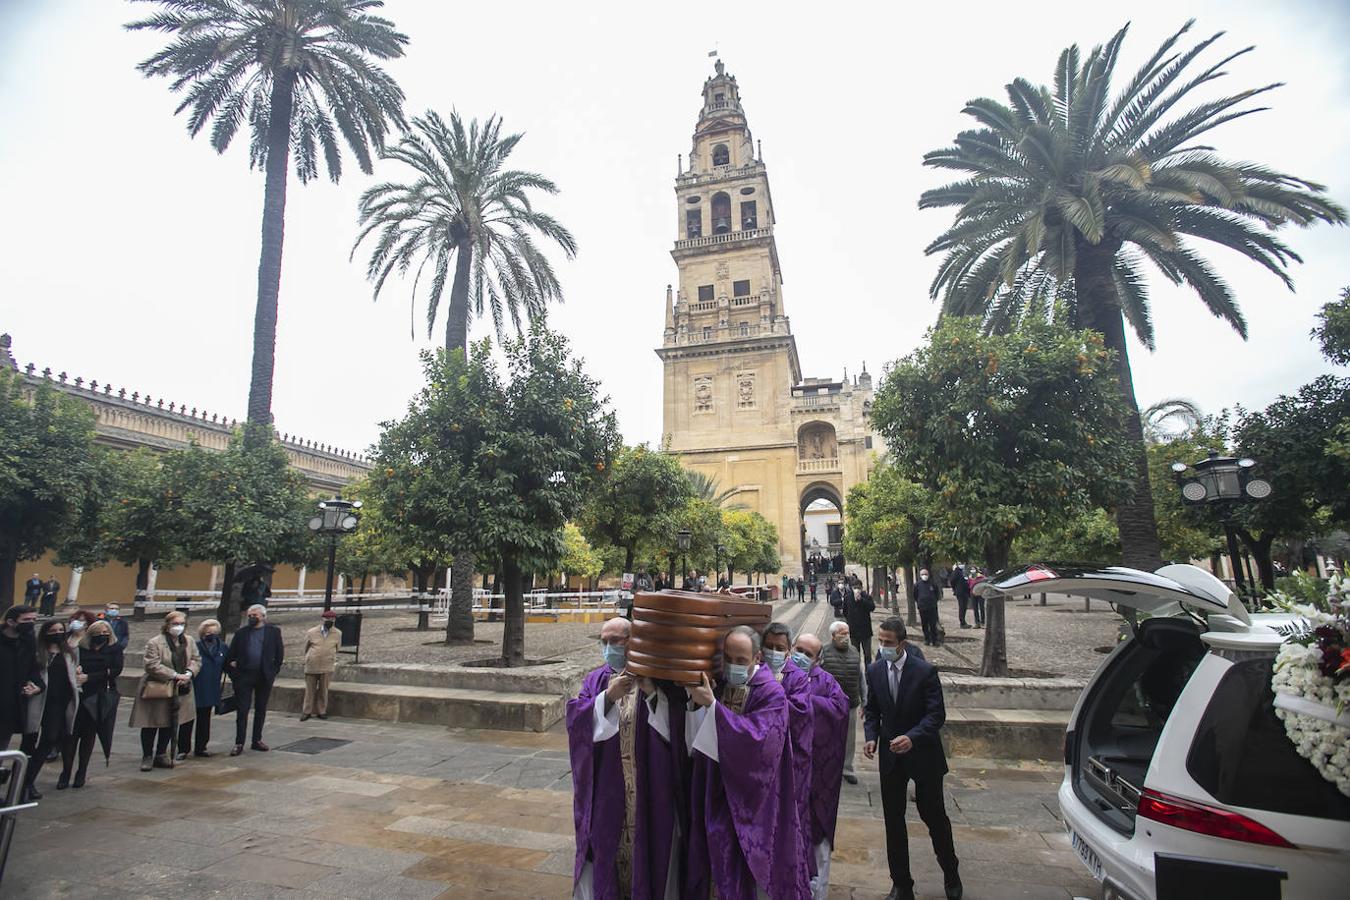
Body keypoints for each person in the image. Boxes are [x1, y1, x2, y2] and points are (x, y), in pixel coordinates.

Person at [672, 625, 805, 899]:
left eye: (741, 660)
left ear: (757, 658)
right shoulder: (718, 683)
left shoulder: (771, 693)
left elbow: (760, 746)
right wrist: (696, 704)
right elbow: (697, 738)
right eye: (728, 658)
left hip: (751, 803)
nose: (732, 666)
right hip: (714, 790)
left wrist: (713, 708)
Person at [567, 617, 685, 898]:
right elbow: (576, 723)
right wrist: (607, 697)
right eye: (604, 642)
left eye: (615, 642)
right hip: (609, 790)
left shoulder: (655, 677)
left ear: (632, 642)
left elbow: (677, 730)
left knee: (651, 853)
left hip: (649, 790)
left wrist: (654, 694)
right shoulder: (596, 679)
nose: (609, 648)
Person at [864, 618, 961, 900]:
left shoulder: (925, 672)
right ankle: (901, 884)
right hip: (891, 756)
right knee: (893, 820)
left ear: (902, 643)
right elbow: (872, 710)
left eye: (888, 643)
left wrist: (913, 737)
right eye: (880, 641)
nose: (883, 647)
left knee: (934, 816)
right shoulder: (874, 670)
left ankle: (951, 872)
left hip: (923, 754)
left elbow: (936, 715)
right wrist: (871, 736)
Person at [791, 633, 850, 900]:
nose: (801, 656)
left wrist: (802, 703)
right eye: (798, 649)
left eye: (808, 653)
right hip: (787, 776)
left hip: (817, 778)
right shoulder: (776, 676)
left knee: (817, 846)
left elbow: (840, 710)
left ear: (817, 659)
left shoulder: (827, 683)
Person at [762, 622, 815, 891]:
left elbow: (802, 713)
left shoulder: (796, 677)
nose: (773, 652)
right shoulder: (754, 671)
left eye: (779, 648)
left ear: (788, 650)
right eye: (769, 647)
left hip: (788, 763)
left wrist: (771, 696)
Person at [129, 611, 199, 771]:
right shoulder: (155, 642)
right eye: (175, 624)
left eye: (181, 624)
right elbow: (152, 664)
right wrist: (174, 675)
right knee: (151, 722)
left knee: (170, 722)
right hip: (158, 687)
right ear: (167, 625)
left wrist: (188, 673)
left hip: (181, 687)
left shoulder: (188, 641)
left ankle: (161, 753)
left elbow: (196, 659)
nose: (178, 627)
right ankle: (147, 755)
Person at [22, 621, 83, 800]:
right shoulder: (38, 653)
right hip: (37, 700)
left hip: (58, 703)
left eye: (60, 630)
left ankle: (29, 780)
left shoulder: (68, 653)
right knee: (28, 741)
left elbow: (72, 675)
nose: (57, 633)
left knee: (49, 739)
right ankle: (22, 782)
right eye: (53, 630)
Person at [66, 619, 122, 787]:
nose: (102, 636)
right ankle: (66, 771)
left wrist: (90, 677)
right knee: (71, 735)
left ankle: (81, 771)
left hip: (99, 695)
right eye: (98, 633)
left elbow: (116, 669)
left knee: (89, 734)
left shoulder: (114, 649)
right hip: (80, 693)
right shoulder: (80, 649)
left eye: (106, 633)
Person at [224, 603, 284, 755]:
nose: (251, 618)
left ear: (263, 617)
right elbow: (231, 656)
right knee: (242, 710)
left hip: (264, 676)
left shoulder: (273, 632)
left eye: (255, 615)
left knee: (261, 709)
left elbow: (279, 655)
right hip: (244, 676)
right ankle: (239, 742)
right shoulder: (241, 633)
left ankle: (256, 739)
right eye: (250, 615)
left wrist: (273, 672)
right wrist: (235, 671)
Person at [818, 620, 862, 785]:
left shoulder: (854, 651)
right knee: (827, 736)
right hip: (829, 704)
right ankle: (827, 767)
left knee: (849, 739)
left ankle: (847, 768)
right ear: (833, 636)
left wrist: (864, 700)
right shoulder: (823, 651)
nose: (845, 637)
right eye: (842, 634)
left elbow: (860, 676)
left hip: (851, 701)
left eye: (847, 633)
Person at [0, 607, 41, 760]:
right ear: (11, 622)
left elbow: (33, 671)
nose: (31, 623)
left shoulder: (28, 641)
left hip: (10, 708)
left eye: (33, 620)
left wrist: (36, 686)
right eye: (26, 620)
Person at [182, 618, 226, 758]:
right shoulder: (195, 646)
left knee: (205, 719)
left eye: (214, 631)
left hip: (211, 688)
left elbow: (227, 665)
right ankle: (183, 749)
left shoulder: (222, 647)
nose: (211, 634)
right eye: (208, 632)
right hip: (195, 687)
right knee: (187, 720)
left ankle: (201, 747)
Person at [301, 610, 341, 721]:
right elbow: (306, 647)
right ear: (322, 620)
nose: (330, 621)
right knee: (310, 690)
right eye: (327, 619)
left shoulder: (337, 633)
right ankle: (306, 711)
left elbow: (338, 648)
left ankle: (321, 711)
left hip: (327, 665)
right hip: (312, 664)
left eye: (332, 620)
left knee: (324, 690)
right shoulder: (312, 632)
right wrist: (309, 657)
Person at [843, 583, 875, 665]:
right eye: (855, 587)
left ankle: (868, 673)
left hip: (865, 630)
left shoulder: (866, 597)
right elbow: (845, 611)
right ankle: (857, 673)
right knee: (855, 654)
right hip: (854, 630)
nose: (857, 589)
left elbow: (872, 607)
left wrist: (861, 600)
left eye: (858, 588)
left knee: (867, 654)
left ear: (861, 588)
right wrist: (850, 621)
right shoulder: (848, 598)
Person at [914, 569, 942, 646]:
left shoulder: (932, 584)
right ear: (920, 575)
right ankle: (927, 639)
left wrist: (934, 601)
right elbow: (915, 595)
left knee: (933, 624)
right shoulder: (917, 585)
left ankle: (934, 640)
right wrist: (920, 602)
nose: (924, 576)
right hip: (922, 607)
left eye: (926, 574)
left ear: (928, 575)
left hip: (932, 607)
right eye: (923, 574)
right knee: (924, 624)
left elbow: (937, 594)